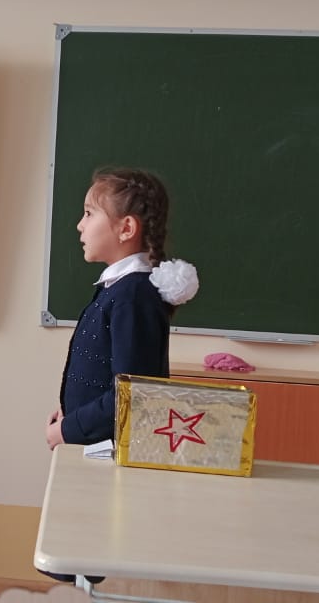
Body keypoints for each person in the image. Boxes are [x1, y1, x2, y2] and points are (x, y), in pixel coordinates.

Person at [46, 167, 199, 450]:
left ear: (126, 228)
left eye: (89, 214)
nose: (80, 225)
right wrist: (71, 416)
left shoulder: (133, 296)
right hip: (96, 445)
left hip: (113, 453)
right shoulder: (118, 289)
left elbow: (130, 392)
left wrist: (68, 429)